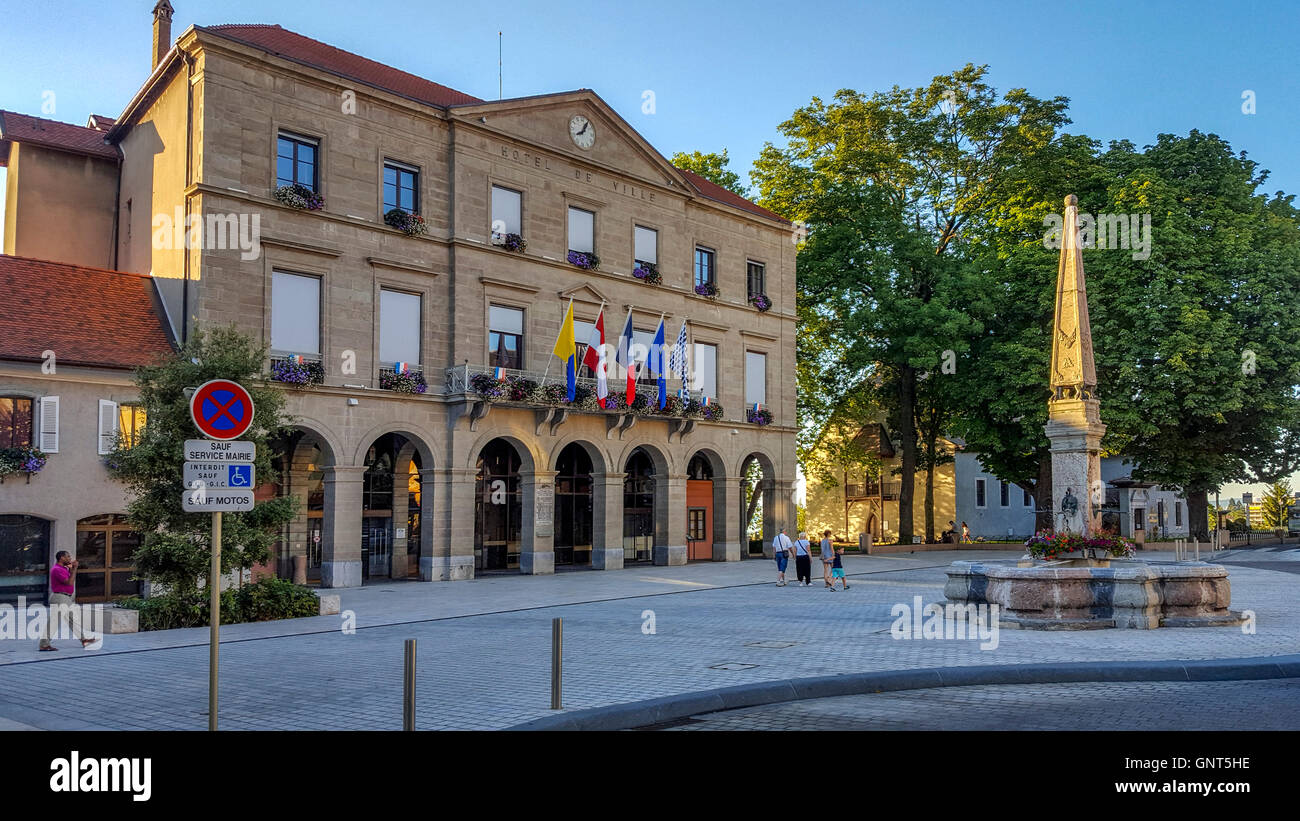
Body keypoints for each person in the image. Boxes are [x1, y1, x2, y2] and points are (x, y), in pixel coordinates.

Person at [39, 551, 94, 651]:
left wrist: (71, 569)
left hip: (65, 597)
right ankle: (44, 644)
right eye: (68, 556)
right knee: (55, 621)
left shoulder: (64, 569)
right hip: (60, 598)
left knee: (72, 620)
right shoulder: (57, 569)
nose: (70, 558)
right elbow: (69, 582)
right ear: (62, 558)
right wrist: (74, 569)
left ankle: (83, 639)